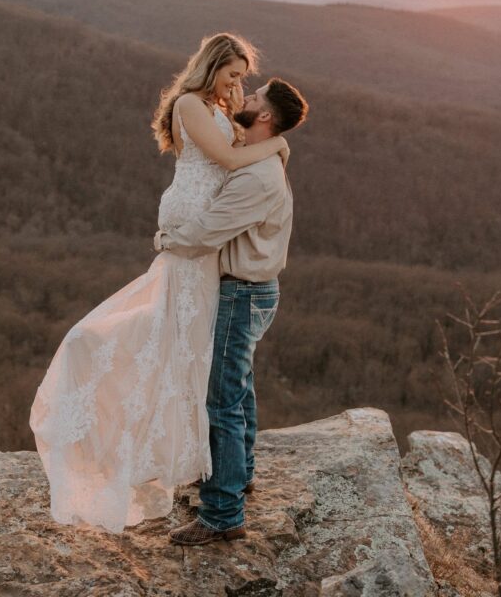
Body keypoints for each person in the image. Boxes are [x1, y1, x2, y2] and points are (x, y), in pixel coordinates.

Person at [29, 33, 289, 533]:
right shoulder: (191, 103)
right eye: (233, 75)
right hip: (193, 233)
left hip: (207, 240)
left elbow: (235, 149)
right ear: (211, 66)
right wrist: (277, 142)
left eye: (244, 80)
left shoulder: (214, 105)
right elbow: (233, 160)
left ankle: (223, 473)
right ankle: (203, 474)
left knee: (206, 355)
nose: (239, 85)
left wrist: (241, 119)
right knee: (186, 346)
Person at [155, 77, 309, 546]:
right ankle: (239, 476)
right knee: (237, 391)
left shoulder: (257, 177)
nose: (245, 97)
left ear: (264, 117)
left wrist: (166, 241)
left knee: (220, 401)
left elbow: (207, 232)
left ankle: (222, 514)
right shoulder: (261, 161)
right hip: (253, 290)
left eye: (255, 96)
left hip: (243, 293)